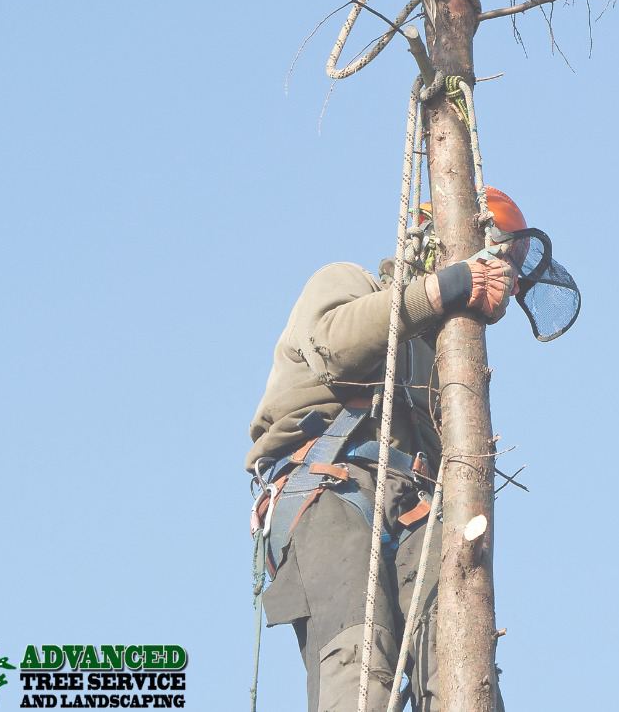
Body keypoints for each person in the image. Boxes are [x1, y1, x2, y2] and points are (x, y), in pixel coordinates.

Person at [246, 187, 578, 711]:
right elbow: (335, 345)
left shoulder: (439, 364)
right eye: (501, 259)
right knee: (360, 673)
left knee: (456, 667)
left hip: (413, 507)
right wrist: (449, 286)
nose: (507, 278)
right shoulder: (350, 282)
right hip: (329, 488)